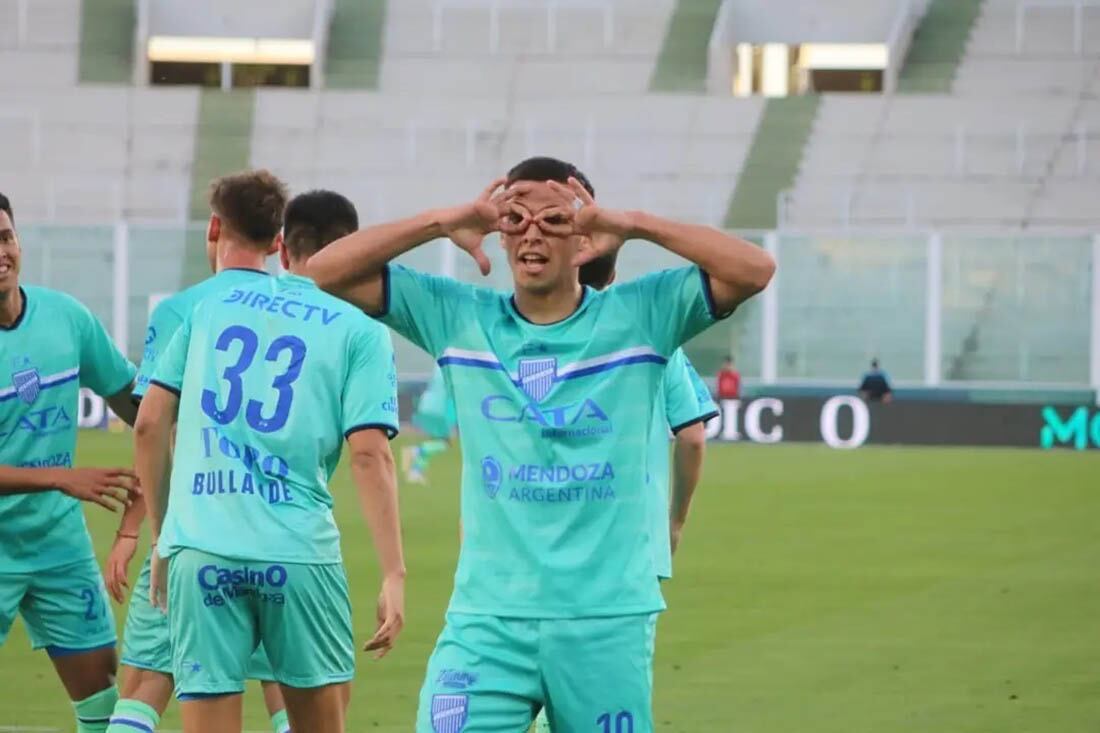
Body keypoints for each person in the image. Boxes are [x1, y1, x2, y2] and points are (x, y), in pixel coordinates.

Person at [308, 155, 775, 731]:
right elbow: (323, 272)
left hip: (604, 621)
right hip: (488, 620)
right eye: (515, 218)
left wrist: (636, 225)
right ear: (499, 235)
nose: (531, 231)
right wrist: (439, 221)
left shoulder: (642, 316)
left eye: (554, 219)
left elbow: (755, 269)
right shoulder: (458, 317)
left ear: (584, 237)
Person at [134, 189, 407, 733]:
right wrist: (394, 572)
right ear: (358, 250)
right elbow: (369, 455)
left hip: (201, 550)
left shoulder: (212, 308)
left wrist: (165, 536)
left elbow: (148, 423)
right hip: (297, 553)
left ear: (285, 252)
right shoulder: (361, 332)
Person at [103, 171, 293, 733]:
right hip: (284, 533)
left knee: (146, 683)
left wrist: (148, 531)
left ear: (214, 227)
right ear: (278, 242)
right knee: (287, 690)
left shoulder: (180, 312)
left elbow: (153, 430)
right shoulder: (305, 313)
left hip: (195, 531)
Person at [531, 251, 719, 733]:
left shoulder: (527, 336)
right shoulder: (650, 336)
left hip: (531, 543)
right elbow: (693, 434)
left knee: (524, 686)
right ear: (613, 275)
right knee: (603, 703)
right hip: (629, 549)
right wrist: (676, 519)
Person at [0, 192, 141, 733]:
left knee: (103, 700)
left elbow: (135, 402)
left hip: (57, 545)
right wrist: (60, 477)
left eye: (5, 236)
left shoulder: (66, 318)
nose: (1, 251)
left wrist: (179, 421)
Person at [401, 366, 457, 485]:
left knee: (436, 441)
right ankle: (416, 451)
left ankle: (416, 472)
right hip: (440, 408)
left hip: (426, 404)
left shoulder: (439, 365)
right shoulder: (453, 367)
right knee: (445, 443)